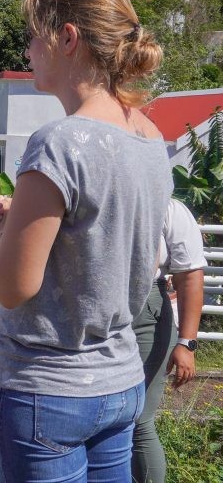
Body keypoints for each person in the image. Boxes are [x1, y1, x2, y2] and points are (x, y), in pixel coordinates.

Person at [0, 0, 171, 482]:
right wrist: (18, 225)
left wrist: (0, 238)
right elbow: (130, 257)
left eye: (34, 36)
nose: (27, 51)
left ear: (67, 38)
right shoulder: (150, 137)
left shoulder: (59, 142)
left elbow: (13, 287)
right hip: (121, 379)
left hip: (47, 390)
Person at [132, 199, 206, 483]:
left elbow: (189, 274)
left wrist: (187, 343)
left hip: (145, 313)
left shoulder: (167, 208)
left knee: (138, 419)